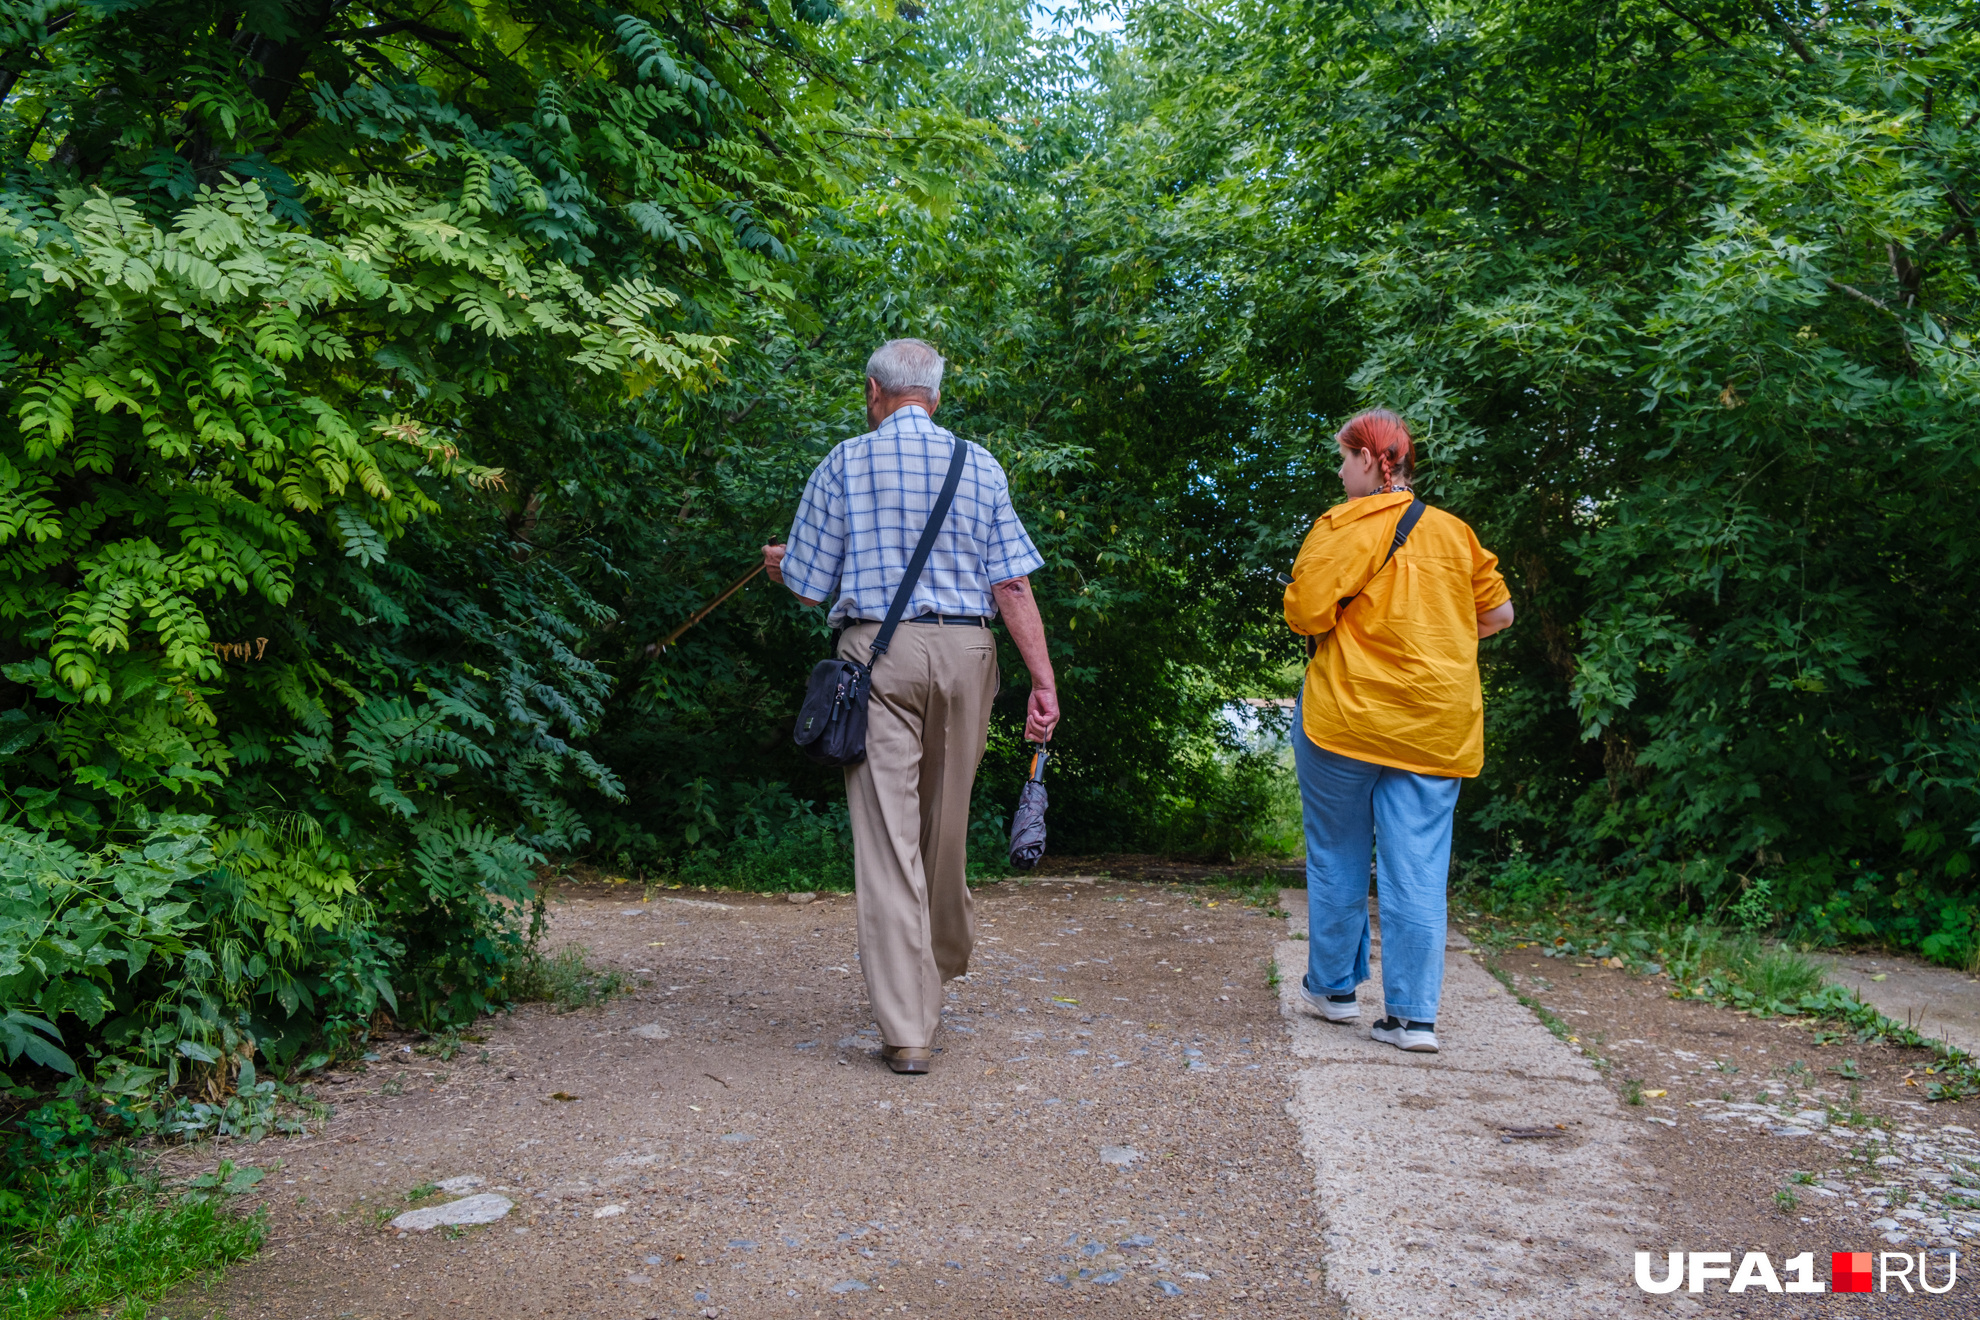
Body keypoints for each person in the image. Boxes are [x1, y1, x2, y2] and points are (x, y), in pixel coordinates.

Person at [763, 339, 1060, 1075]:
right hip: (967, 656)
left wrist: (780, 564)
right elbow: (1012, 586)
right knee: (943, 827)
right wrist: (1043, 682)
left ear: (874, 392)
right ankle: (941, 957)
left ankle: (908, 1030)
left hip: (876, 657)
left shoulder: (843, 461)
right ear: (936, 396)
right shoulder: (980, 465)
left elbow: (807, 583)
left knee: (887, 841)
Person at [1282, 409, 1514, 1054]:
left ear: (1366, 460)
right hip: (1435, 725)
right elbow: (1499, 613)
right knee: (1418, 867)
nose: (1338, 470)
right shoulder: (1455, 533)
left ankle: (1333, 990)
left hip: (1344, 718)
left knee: (1337, 853)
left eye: (1341, 457)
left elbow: (1304, 615)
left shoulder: (1339, 526)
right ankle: (1413, 1020)